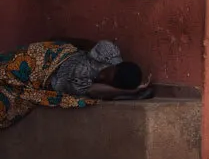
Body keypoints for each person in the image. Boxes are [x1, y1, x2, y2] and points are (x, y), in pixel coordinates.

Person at [1, 39, 148, 129]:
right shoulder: (107, 54)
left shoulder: (85, 79)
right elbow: (86, 44)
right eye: (110, 73)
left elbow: (93, 90)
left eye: (110, 81)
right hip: (49, 56)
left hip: (41, 74)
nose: (104, 76)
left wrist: (131, 91)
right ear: (117, 65)